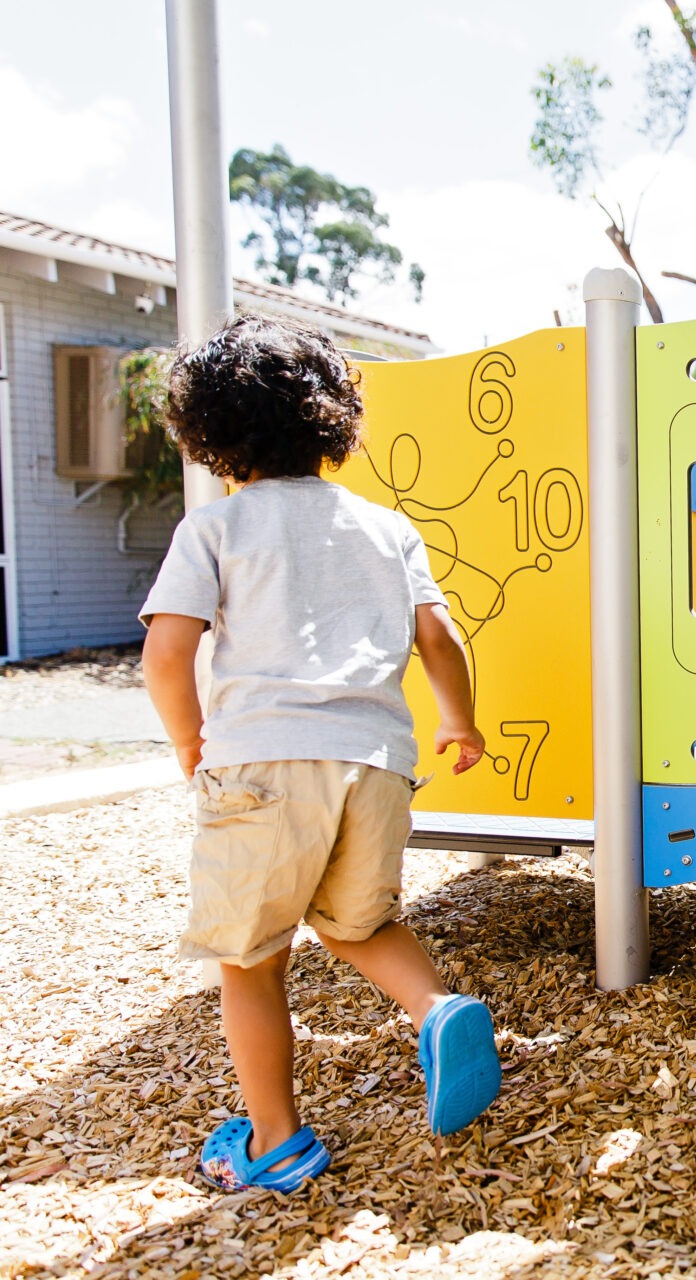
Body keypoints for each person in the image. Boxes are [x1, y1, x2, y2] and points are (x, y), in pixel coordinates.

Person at [141, 314, 502, 1192]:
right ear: (331, 418)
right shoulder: (385, 527)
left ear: (209, 432)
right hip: (375, 764)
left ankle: (275, 1142)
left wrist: (190, 738)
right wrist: (460, 721)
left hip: (264, 762)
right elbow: (440, 636)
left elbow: (165, 653)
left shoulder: (216, 529)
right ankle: (438, 1008)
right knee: (358, 925)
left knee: (252, 958)